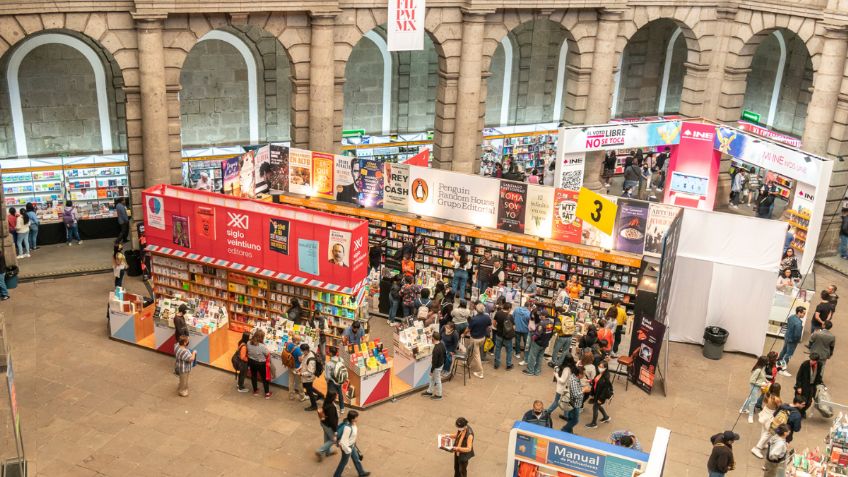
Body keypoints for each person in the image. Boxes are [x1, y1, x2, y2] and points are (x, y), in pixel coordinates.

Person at [333, 410, 370, 477]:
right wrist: (348, 450)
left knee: (356, 459)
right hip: (347, 448)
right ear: (352, 419)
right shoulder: (348, 428)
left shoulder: (353, 424)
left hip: (352, 445)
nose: (357, 418)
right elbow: (343, 442)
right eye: (356, 417)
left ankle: (361, 472)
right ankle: (336, 475)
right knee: (343, 462)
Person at [752, 383, 782, 458]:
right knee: (769, 433)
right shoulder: (776, 399)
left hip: (765, 411)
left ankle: (763, 444)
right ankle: (757, 448)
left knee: (764, 430)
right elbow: (780, 407)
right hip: (771, 415)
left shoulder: (768, 394)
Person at [523, 311, 553, 376]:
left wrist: (533, 339)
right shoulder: (551, 323)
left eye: (541, 315)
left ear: (544, 316)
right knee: (540, 357)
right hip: (545, 343)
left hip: (538, 343)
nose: (540, 317)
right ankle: (537, 371)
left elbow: (537, 334)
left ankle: (530, 371)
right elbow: (552, 333)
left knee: (532, 356)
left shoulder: (541, 324)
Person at [585, 361, 613, 428]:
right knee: (598, 406)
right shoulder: (599, 373)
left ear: (606, 368)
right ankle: (606, 417)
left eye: (602, 367)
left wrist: (600, 399)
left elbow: (605, 390)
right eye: (599, 366)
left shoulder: (606, 377)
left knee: (595, 407)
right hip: (596, 393)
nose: (600, 368)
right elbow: (596, 380)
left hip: (600, 396)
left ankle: (594, 423)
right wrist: (591, 381)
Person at [466, 303, 491, 379]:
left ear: (476, 310)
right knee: (471, 349)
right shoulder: (487, 317)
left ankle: (480, 372)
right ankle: (468, 363)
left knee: (476, 355)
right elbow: (489, 326)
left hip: (475, 339)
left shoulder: (474, 319)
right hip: (482, 338)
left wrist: (463, 334)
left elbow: (468, 329)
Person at [794, 353, 823, 417]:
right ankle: (798, 412)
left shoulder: (820, 365)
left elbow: (818, 375)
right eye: (811, 360)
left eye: (813, 360)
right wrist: (799, 387)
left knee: (809, 402)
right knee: (801, 400)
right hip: (804, 385)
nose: (811, 361)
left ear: (816, 361)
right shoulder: (805, 364)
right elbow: (799, 376)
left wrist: (821, 383)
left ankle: (802, 411)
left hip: (812, 386)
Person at [741, 355, 769, 423]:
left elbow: (762, 376)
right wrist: (762, 384)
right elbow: (752, 380)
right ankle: (750, 416)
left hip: (757, 386)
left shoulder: (761, 368)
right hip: (754, 387)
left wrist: (766, 380)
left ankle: (743, 408)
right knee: (753, 401)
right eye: (766, 362)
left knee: (750, 398)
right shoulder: (758, 370)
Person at [299, 343, 325, 411]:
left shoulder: (311, 360)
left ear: (305, 350)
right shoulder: (308, 353)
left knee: (309, 391)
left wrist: (301, 374)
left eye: (302, 351)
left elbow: (310, 372)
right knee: (308, 387)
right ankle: (320, 395)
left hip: (309, 377)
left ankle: (314, 406)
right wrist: (300, 368)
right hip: (306, 376)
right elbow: (304, 363)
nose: (302, 352)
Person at [247, 330, 272, 399]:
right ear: (261, 338)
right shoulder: (262, 346)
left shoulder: (248, 343)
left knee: (254, 376)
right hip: (261, 363)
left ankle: (255, 391)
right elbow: (267, 354)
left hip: (251, 362)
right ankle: (267, 393)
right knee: (264, 378)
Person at [315, 391, 339, 462]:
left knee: (327, 438)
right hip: (328, 425)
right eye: (335, 396)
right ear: (332, 397)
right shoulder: (331, 407)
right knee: (333, 440)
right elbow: (332, 421)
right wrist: (335, 430)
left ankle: (328, 452)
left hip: (323, 423)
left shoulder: (326, 401)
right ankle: (320, 450)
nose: (336, 397)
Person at [422, 331, 446, 400]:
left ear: (433, 338)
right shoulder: (442, 344)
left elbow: (434, 362)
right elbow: (444, 355)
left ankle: (439, 395)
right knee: (432, 379)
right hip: (441, 365)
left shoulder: (436, 349)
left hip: (437, 367)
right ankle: (430, 391)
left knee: (437, 380)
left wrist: (431, 371)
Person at [561, 367, 584, 433]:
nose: (584, 375)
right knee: (575, 420)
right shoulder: (574, 382)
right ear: (579, 374)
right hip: (574, 404)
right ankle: (564, 429)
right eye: (583, 374)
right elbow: (575, 395)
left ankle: (569, 431)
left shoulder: (574, 377)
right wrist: (584, 390)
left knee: (571, 418)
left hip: (572, 403)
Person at [493, 302, 515, 370]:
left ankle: (497, 364)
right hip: (507, 337)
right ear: (509, 309)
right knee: (509, 351)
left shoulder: (498, 313)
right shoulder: (510, 317)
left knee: (497, 349)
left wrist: (498, 328)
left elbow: (494, 323)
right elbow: (513, 327)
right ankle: (508, 365)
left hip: (499, 335)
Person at [324, 346, 347, 411]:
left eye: (329, 351)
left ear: (331, 353)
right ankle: (342, 408)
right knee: (340, 394)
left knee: (331, 394)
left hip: (332, 381)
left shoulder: (328, 364)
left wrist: (327, 381)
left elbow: (327, 376)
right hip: (340, 379)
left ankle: (332, 407)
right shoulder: (341, 359)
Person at [285, 336, 306, 401]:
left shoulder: (289, 345)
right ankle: (302, 397)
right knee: (299, 382)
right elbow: (300, 360)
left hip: (290, 366)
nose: (300, 341)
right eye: (299, 340)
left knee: (291, 382)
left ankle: (291, 396)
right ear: (296, 341)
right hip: (297, 368)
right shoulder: (298, 350)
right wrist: (303, 355)